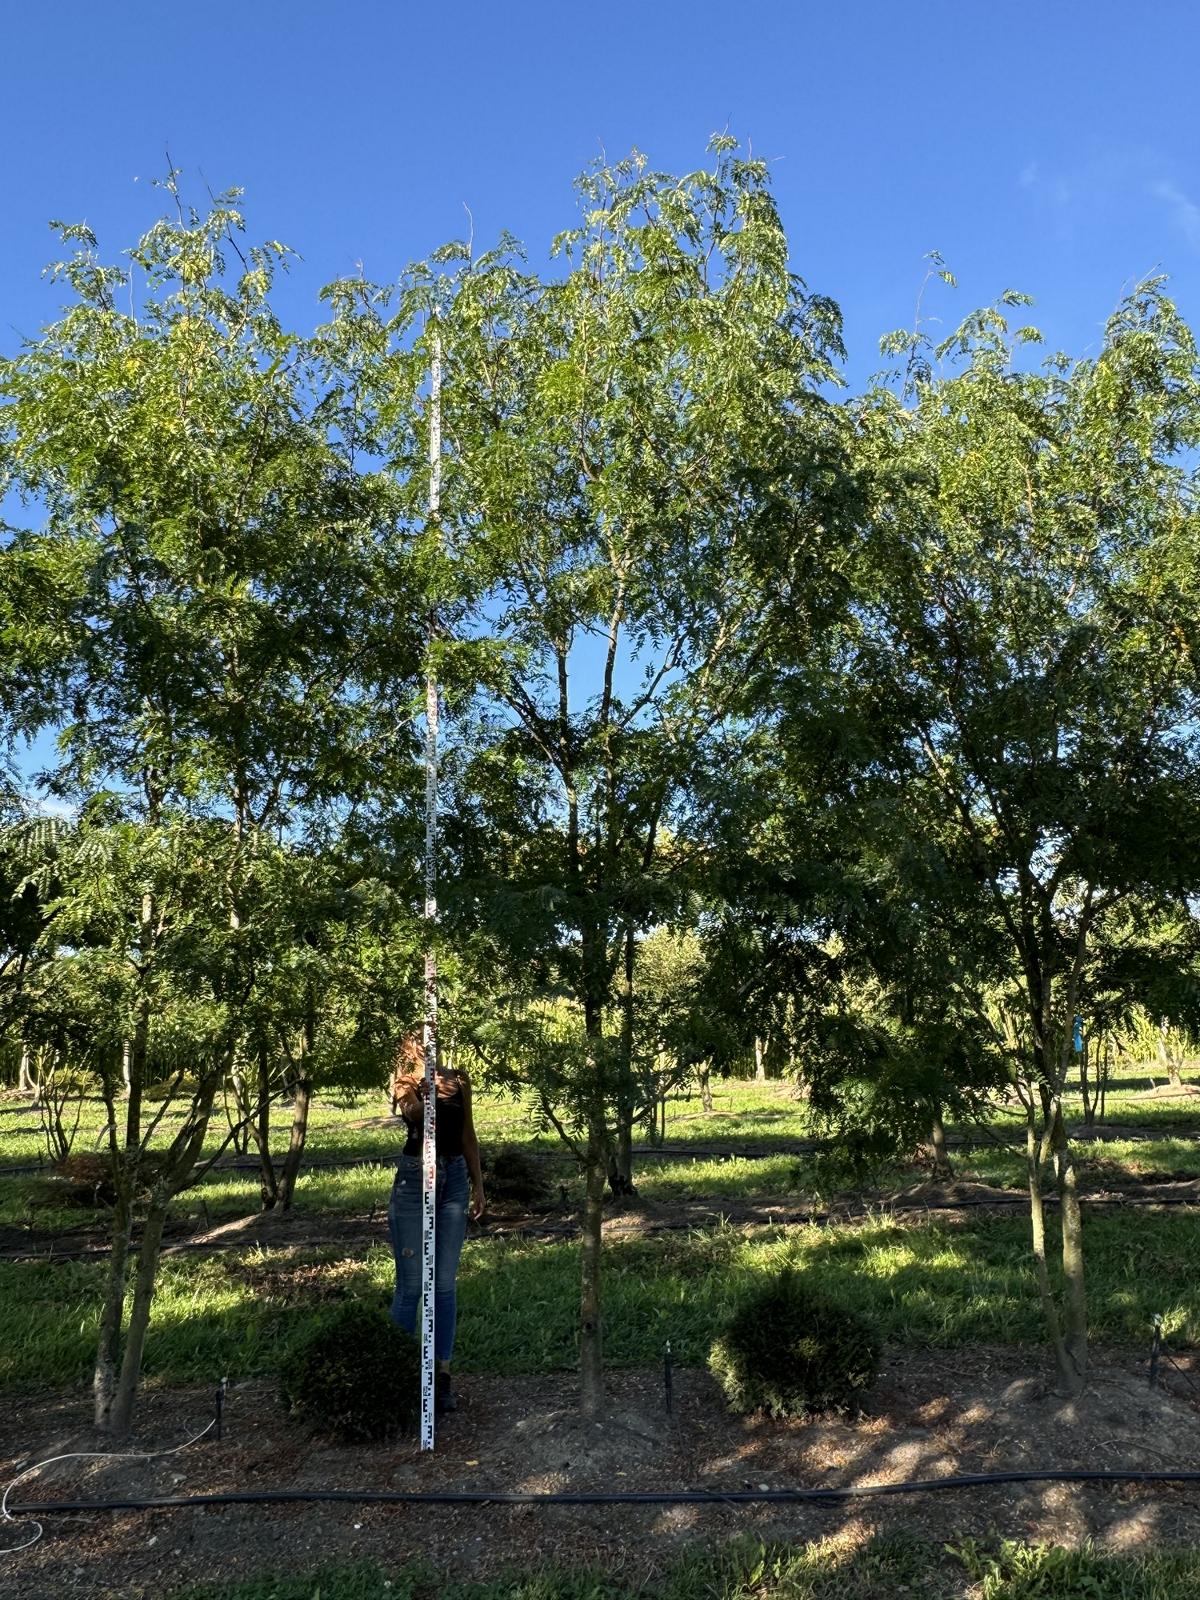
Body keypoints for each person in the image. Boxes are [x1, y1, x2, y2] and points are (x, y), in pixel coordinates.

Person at [387, 1035, 485, 1413]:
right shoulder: (406, 1082)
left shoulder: (458, 1079)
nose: (428, 1045)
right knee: (411, 1285)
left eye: (433, 1038)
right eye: (419, 1040)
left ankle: (442, 1376)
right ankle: (394, 1375)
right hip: (416, 1178)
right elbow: (411, 1113)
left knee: (444, 1284)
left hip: (454, 1178)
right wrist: (422, 1095)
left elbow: (467, 1135)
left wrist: (479, 1184)